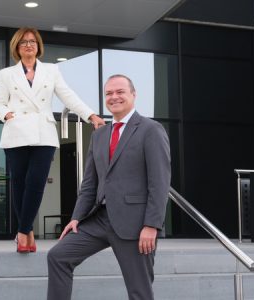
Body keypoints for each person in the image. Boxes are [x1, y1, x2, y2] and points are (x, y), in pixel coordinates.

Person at [46, 74, 171, 300]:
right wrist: (76, 217)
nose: (114, 97)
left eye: (120, 92)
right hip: (99, 220)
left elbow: (160, 182)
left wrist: (152, 225)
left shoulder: (151, 129)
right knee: (58, 256)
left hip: (135, 224)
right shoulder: (100, 134)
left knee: (139, 290)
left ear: (133, 94)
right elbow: (90, 183)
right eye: (109, 93)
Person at [0, 27, 105, 253]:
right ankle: (27, 233)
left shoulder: (51, 71)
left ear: (38, 46)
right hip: (16, 133)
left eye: (32, 41)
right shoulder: (7, 74)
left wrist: (90, 115)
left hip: (44, 134)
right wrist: (5, 114)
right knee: (19, 184)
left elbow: (68, 96)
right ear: (17, 47)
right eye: (23, 42)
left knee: (36, 182)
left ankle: (22, 232)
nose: (28, 45)